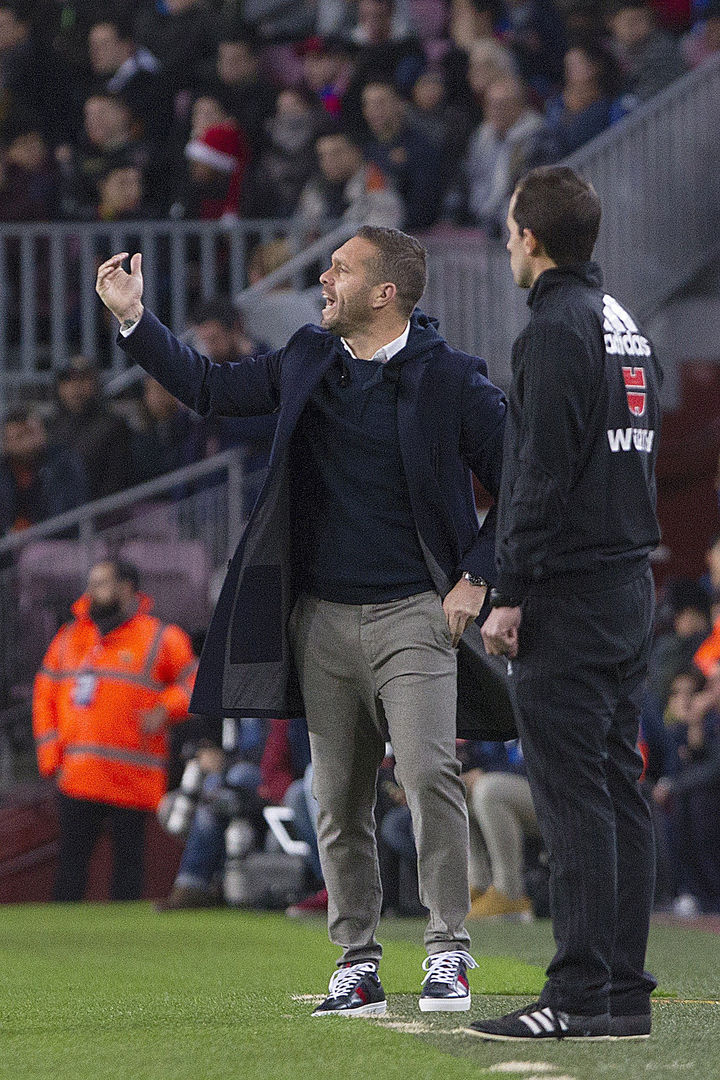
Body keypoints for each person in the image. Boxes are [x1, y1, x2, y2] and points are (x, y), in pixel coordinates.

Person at [96, 224, 508, 1016]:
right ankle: (357, 959)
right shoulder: (307, 361)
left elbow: (517, 480)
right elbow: (212, 388)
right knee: (337, 798)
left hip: (415, 616)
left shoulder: (454, 379)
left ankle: (449, 950)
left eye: (341, 269)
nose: (323, 278)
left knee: (428, 775)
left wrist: (476, 579)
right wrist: (135, 321)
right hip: (319, 618)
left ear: (385, 293)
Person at [472, 166, 662, 1042]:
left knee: (574, 794)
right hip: (628, 581)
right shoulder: (621, 318)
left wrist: (509, 590)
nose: (507, 241)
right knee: (618, 788)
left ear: (531, 238)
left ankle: (579, 995)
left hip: (573, 589)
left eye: (511, 228)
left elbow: (538, 470)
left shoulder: (553, 327)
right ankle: (622, 993)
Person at [32, 559, 197, 901]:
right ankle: (64, 939)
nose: (92, 591)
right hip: (79, 773)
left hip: (132, 776)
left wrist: (165, 709)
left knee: (129, 868)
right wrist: (51, 755)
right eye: (91, 582)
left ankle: (128, 944)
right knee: (71, 868)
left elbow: (195, 683)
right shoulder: (69, 638)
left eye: (101, 583)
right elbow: (44, 695)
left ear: (125, 588)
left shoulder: (161, 638)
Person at [48, 355, 134, 501]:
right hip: (56, 516)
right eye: (68, 380)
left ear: (95, 384)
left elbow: (117, 479)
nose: (76, 387)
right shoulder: (49, 426)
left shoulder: (114, 426)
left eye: (83, 379)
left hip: (101, 514)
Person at [0, 408, 88, 536]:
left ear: (43, 432)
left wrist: (31, 532)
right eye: (19, 436)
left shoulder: (63, 461)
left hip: (55, 541)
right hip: (10, 544)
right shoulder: (4, 470)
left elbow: (66, 512)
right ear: (6, 443)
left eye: (31, 433)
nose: (27, 441)